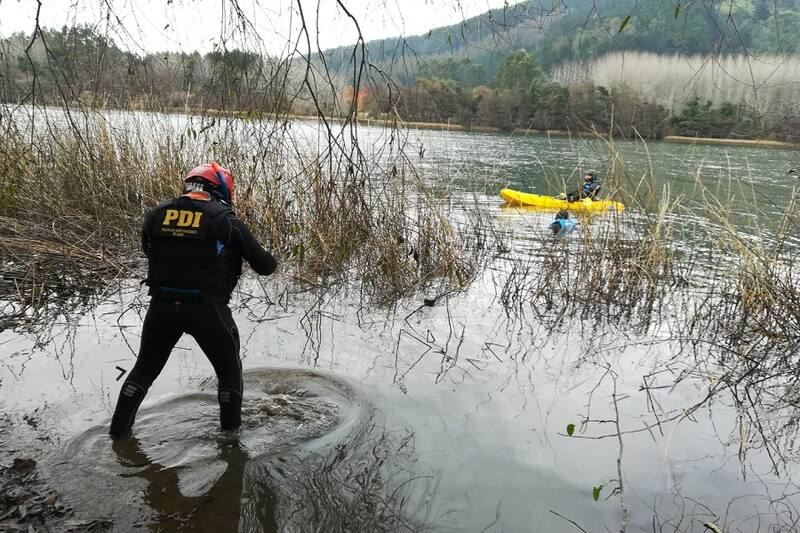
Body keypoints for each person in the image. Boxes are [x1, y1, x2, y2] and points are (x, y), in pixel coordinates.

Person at [109, 162, 277, 439]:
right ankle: (231, 443)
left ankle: (117, 435)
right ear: (221, 189)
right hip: (208, 311)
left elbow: (149, 251)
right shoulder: (226, 220)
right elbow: (266, 266)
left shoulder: (156, 215)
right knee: (229, 373)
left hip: (161, 309)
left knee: (143, 371)